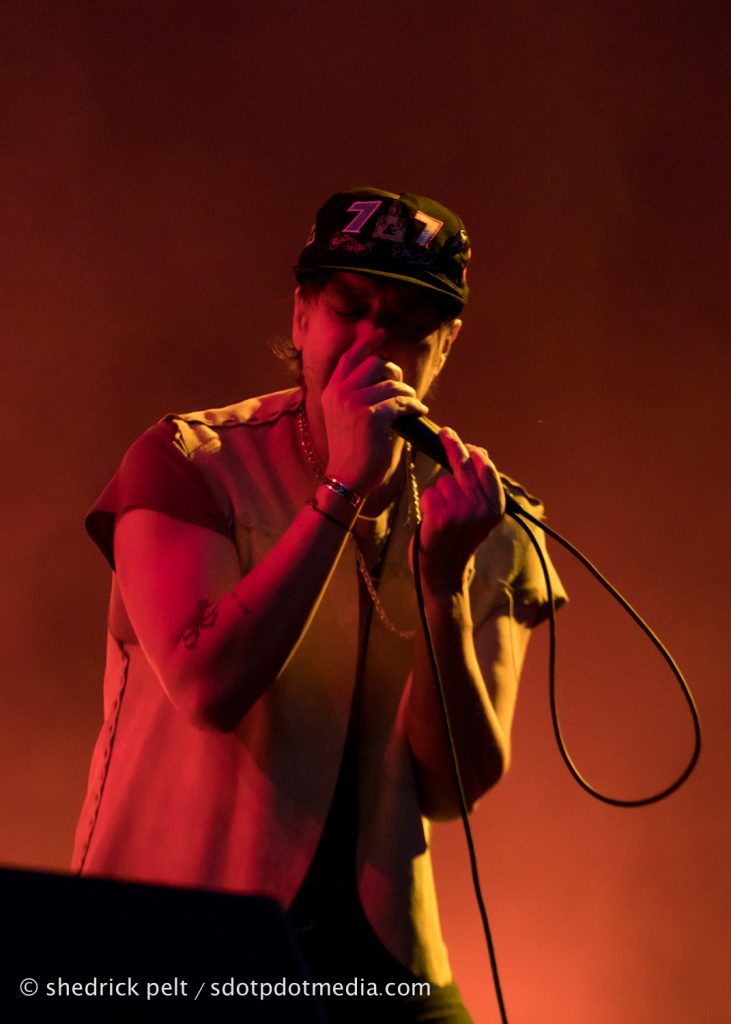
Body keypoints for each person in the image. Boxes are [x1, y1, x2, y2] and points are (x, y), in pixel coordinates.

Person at [72, 186, 566, 1022]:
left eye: (407, 323)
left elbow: (453, 789)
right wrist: (343, 489)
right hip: (176, 940)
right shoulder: (188, 460)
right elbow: (207, 686)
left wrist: (443, 589)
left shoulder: (486, 514)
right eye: (349, 307)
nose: (373, 339)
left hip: (383, 958)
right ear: (301, 316)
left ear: (444, 347)